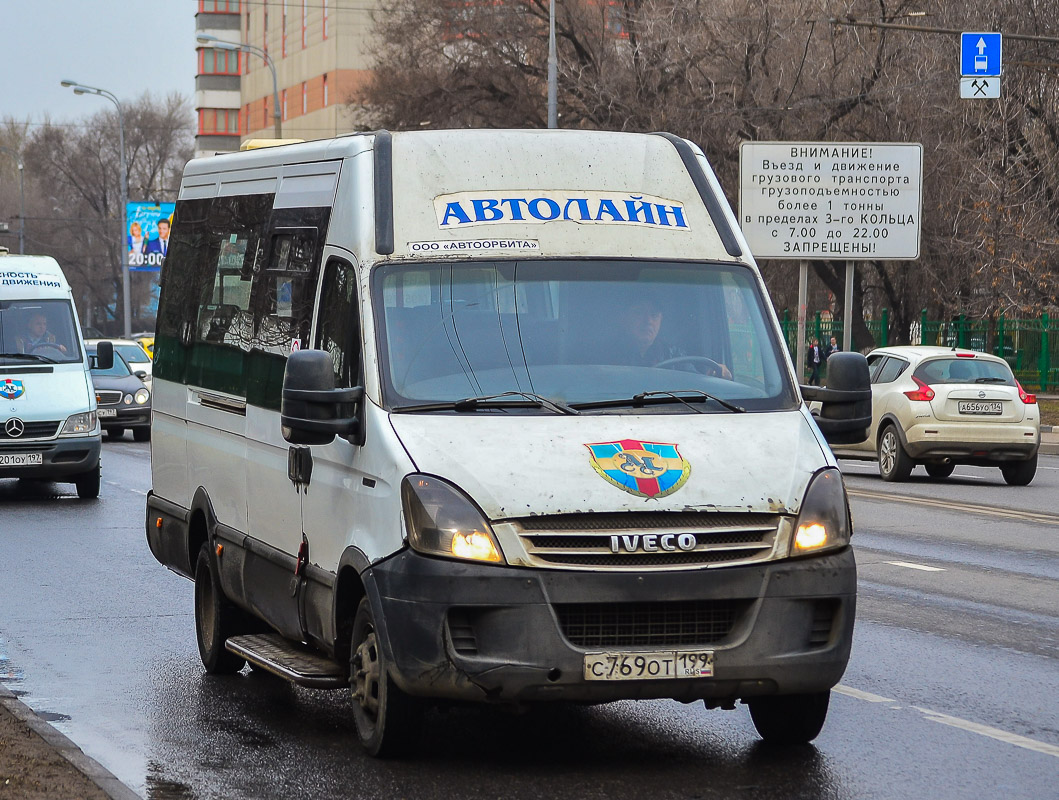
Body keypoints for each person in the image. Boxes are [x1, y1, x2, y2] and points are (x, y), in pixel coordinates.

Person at [623, 296, 731, 378]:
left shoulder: (674, 354)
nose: (648, 321)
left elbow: (694, 383)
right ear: (625, 318)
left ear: (661, 320)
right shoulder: (609, 354)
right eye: (639, 313)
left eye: (654, 315)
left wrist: (712, 377)